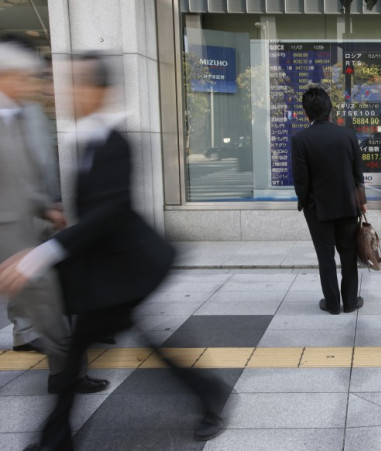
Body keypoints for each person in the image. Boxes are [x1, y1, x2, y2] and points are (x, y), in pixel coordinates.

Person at [0, 53, 229, 450]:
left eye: (77, 84)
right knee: (107, 347)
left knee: (99, 349)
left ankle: (209, 394)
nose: (68, 92)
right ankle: (208, 394)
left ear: (100, 91)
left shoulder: (114, 143)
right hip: (109, 272)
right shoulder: (89, 137)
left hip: (129, 269)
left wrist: (41, 254)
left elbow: (108, 212)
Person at [0, 39, 107, 395]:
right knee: (49, 307)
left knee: (52, 307)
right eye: (29, 78)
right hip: (12, 237)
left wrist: (46, 209)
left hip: (28, 229)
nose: (37, 85)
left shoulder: (16, 116)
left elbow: (21, 179)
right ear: (7, 77)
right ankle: (65, 383)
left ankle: (65, 378)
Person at [292, 86, 366, 314]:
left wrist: (305, 202)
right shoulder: (348, 135)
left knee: (325, 257)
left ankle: (332, 304)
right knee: (348, 255)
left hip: (318, 210)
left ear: (306, 113)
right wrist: (361, 201)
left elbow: (301, 180)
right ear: (330, 111)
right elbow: (357, 173)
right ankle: (350, 302)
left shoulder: (300, 139)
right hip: (348, 206)